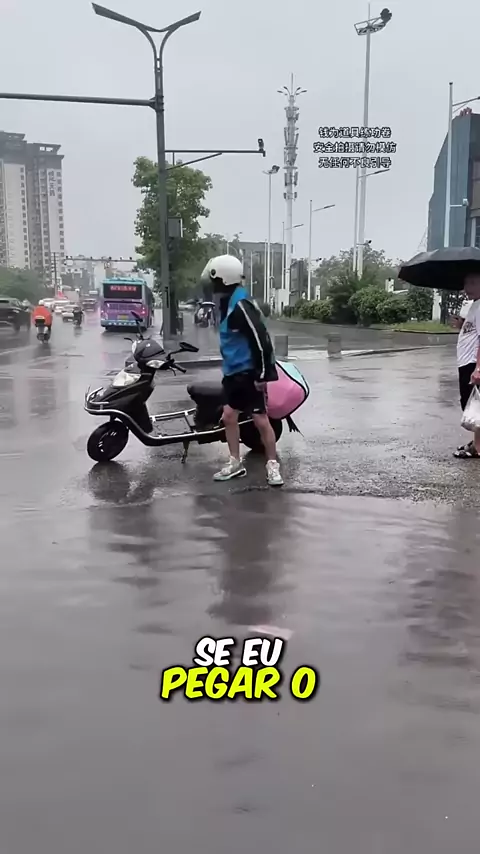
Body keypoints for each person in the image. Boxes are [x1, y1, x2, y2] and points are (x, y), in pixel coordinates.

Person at [202, 254, 283, 486]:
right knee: (229, 416)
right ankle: (235, 463)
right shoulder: (230, 302)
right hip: (233, 374)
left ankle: (272, 466)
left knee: (260, 420)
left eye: (215, 281)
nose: (213, 286)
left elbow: (261, 339)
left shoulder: (241, 306)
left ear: (224, 280)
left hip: (249, 374)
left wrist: (263, 374)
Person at [454, 274, 480, 458]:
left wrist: (478, 368)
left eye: (472, 283)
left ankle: (477, 448)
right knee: (471, 404)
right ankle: (477, 443)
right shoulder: (475, 305)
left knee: (475, 405)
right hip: (466, 362)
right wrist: (462, 325)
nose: (467, 288)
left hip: (472, 363)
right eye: (465, 283)